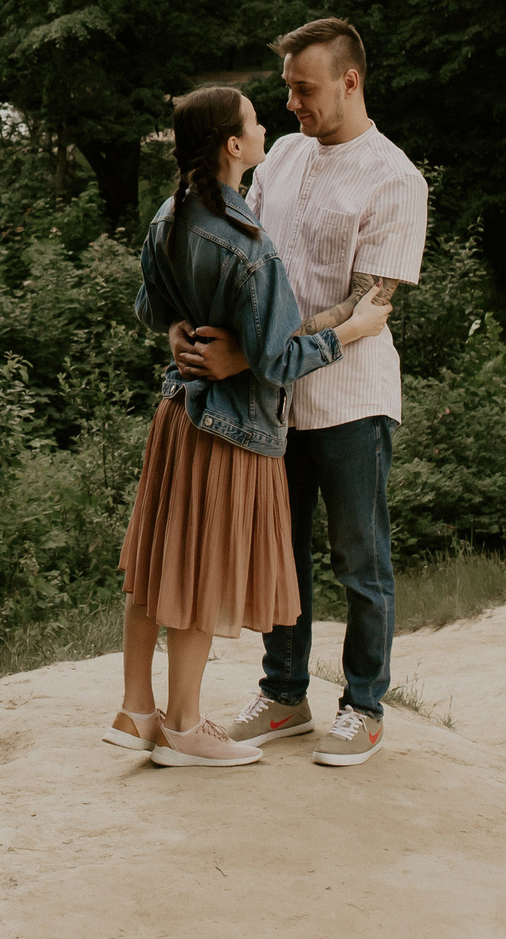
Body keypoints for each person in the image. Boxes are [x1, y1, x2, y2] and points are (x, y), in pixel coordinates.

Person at [111, 85, 393, 767]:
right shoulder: (250, 247)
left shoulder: (168, 215)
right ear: (233, 146)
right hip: (232, 427)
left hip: (176, 412)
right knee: (201, 570)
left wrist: (178, 325)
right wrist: (352, 330)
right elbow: (275, 360)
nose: (268, 124)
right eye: (254, 120)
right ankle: (185, 725)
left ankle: (136, 709)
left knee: (156, 561)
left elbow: (149, 303)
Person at [172, 18, 427, 767]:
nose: (290, 102)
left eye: (303, 87)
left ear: (350, 80)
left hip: (351, 399)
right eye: (285, 87)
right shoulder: (279, 157)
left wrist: (249, 351)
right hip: (271, 402)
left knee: (360, 558)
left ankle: (364, 706)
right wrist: (196, 324)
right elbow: (238, 254)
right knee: (279, 554)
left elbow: (369, 305)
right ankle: (285, 694)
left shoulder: (394, 178)